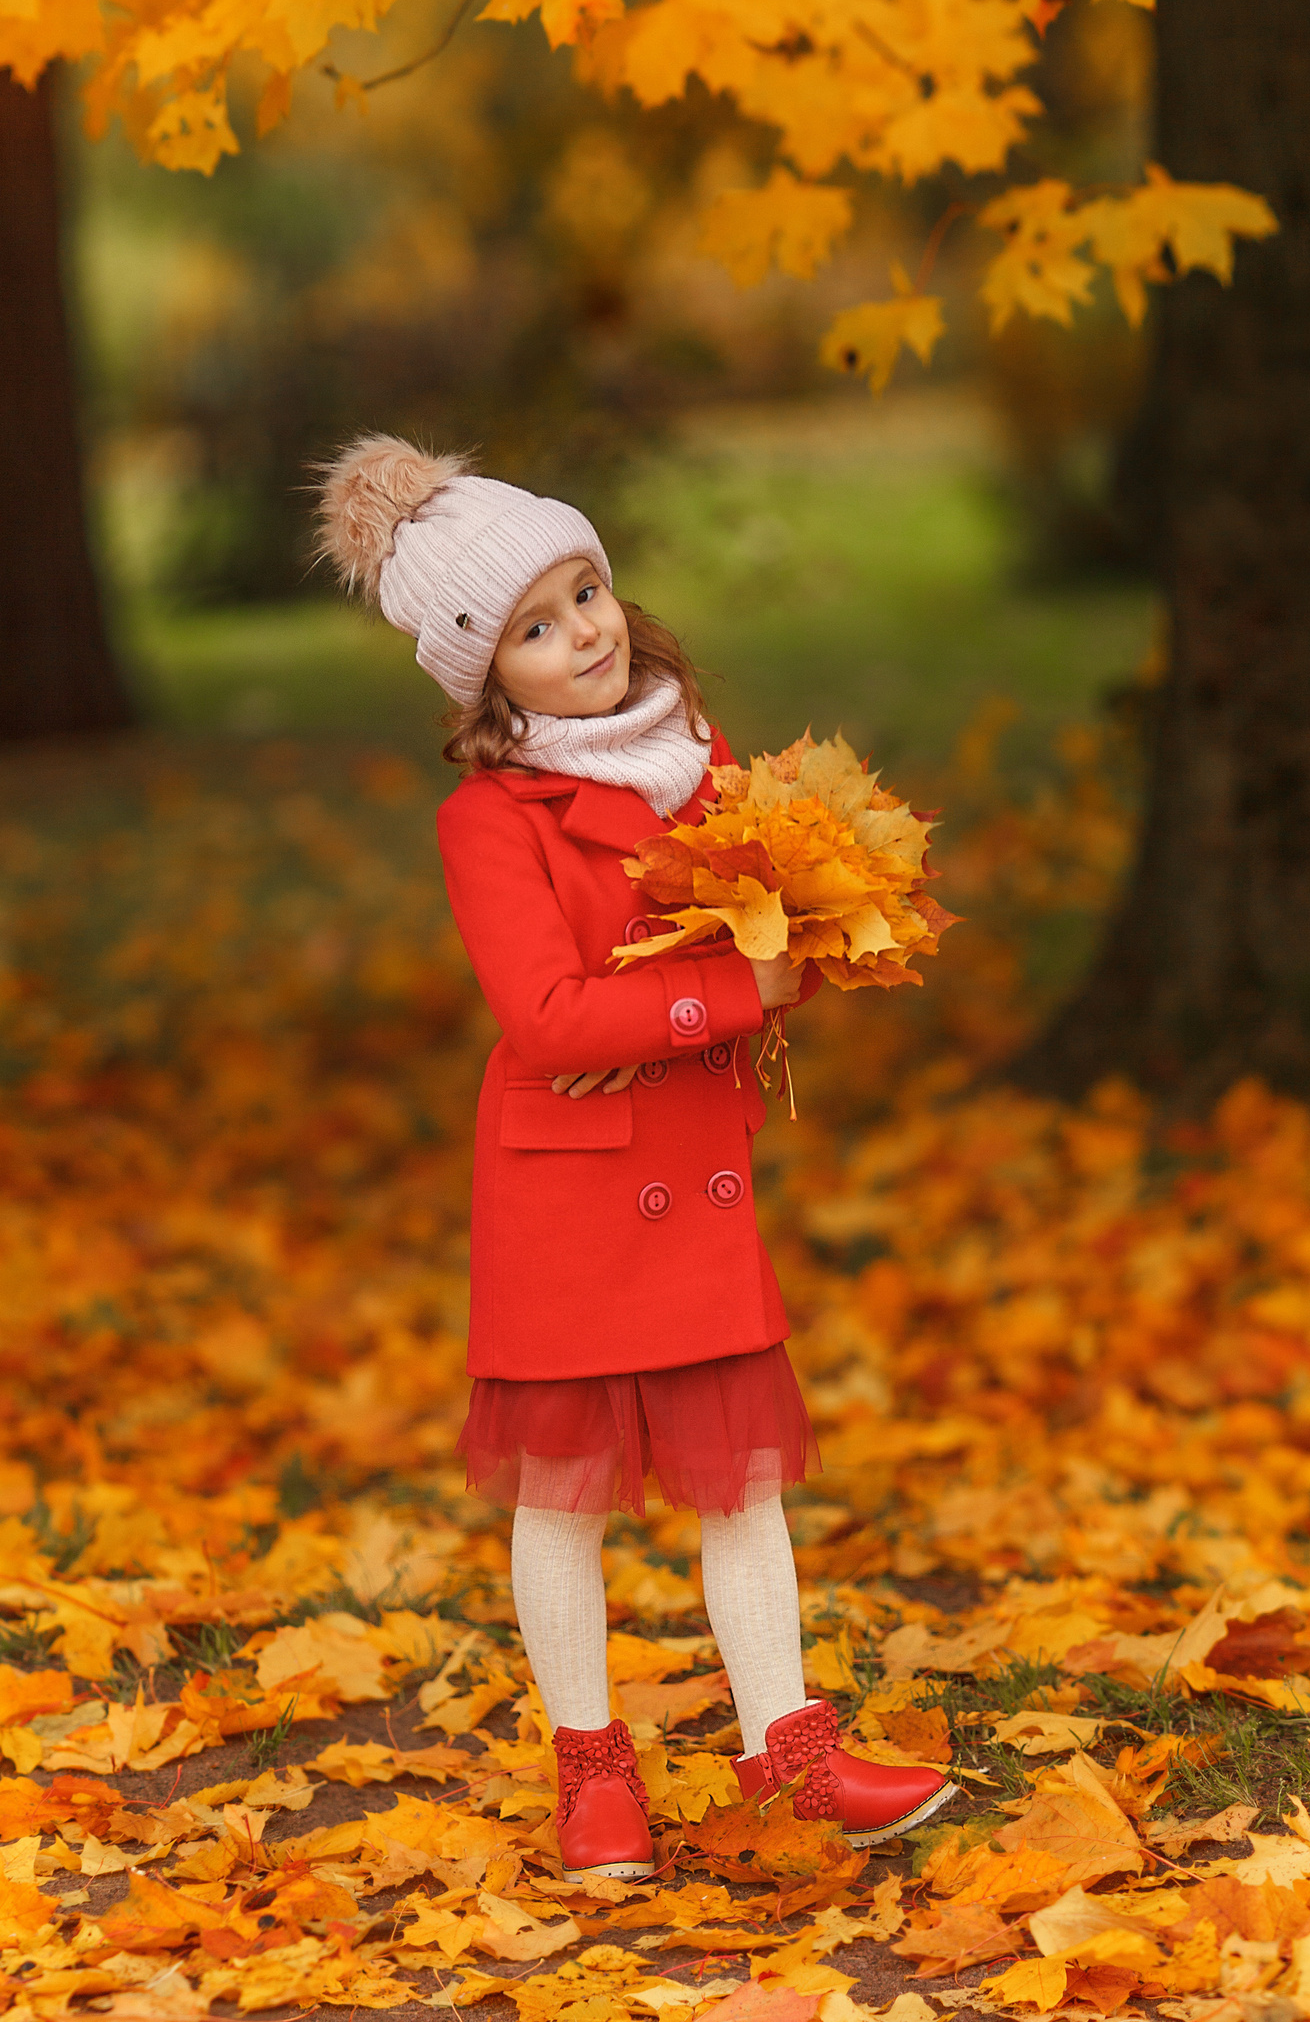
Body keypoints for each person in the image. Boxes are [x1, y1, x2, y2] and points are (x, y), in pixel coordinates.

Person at [315, 435, 958, 1881]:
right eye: (534, 630)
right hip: (567, 1183)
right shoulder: (493, 820)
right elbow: (546, 1017)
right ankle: (591, 1773)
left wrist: (805, 933)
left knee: (742, 1481)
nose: (582, 635)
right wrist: (737, 995)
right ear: (488, 680)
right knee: (565, 1489)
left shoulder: (702, 765)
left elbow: (729, 928)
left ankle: (788, 1747)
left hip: (684, 1163)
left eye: (586, 593)